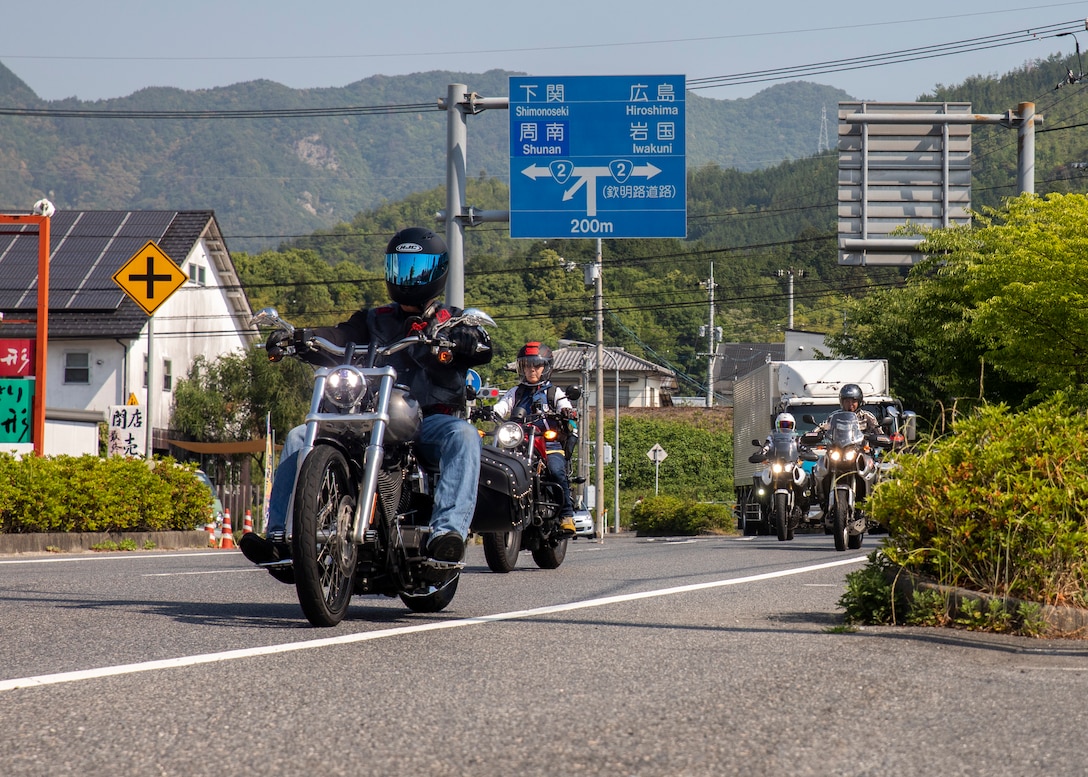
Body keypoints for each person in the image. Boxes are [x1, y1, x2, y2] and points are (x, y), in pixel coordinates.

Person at [240, 226, 493, 568]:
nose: (408, 276)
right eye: (401, 267)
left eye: (417, 268)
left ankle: (446, 534)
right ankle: (279, 537)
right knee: (300, 436)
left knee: (462, 434)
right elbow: (339, 335)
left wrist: (467, 340)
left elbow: (479, 344)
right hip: (369, 417)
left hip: (427, 421)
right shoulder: (374, 319)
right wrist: (299, 337)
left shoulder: (451, 322)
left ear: (437, 272)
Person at [491, 341, 578, 537]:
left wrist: (567, 411)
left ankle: (566, 516)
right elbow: (502, 406)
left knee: (556, 471)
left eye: (536, 365)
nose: (531, 370)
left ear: (545, 367)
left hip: (548, 444)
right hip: (518, 443)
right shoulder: (516, 392)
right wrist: (491, 410)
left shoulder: (553, 392)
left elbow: (566, 406)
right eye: (527, 365)